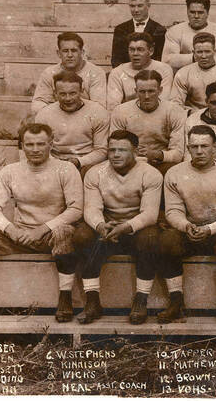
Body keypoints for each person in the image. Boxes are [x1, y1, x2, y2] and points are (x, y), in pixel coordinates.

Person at [0, 124, 83, 323]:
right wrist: (10, 229)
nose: (35, 149)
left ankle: (65, 296)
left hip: (51, 236)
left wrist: (42, 229)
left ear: (51, 144)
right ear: (22, 146)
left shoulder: (65, 169)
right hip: (20, 235)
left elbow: (76, 209)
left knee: (66, 232)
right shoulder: (11, 171)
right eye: (29, 144)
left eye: (41, 144)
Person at [159, 125, 216, 324]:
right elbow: (173, 211)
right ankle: (175, 301)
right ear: (188, 148)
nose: (199, 151)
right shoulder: (175, 173)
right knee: (167, 239)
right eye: (194, 146)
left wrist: (209, 229)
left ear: (214, 146)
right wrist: (185, 226)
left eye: (204, 146)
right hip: (190, 231)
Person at [74, 130, 163, 324]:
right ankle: (92, 301)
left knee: (150, 237)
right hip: (107, 227)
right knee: (81, 235)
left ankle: (141, 299)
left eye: (122, 150)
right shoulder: (95, 173)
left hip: (135, 228)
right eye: (112, 149)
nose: (115, 155)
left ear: (135, 151)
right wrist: (100, 225)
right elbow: (91, 208)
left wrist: (126, 227)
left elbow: (149, 214)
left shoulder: (150, 174)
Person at [109, 70, 186, 175]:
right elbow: (114, 145)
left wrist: (156, 154)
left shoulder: (174, 111)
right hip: (130, 161)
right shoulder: (121, 111)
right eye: (142, 91)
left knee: (174, 171)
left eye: (151, 91)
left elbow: (178, 154)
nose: (146, 96)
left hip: (161, 162)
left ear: (160, 90)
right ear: (136, 91)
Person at [32, 71, 109, 173]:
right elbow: (40, 147)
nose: (68, 98)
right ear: (55, 94)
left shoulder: (98, 111)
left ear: (81, 91)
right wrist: (56, 163)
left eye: (73, 93)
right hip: (54, 163)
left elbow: (101, 150)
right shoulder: (44, 114)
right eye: (62, 94)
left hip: (87, 164)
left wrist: (78, 162)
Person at [32, 32, 107, 113]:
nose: (70, 55)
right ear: (58, 53)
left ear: (82, 52)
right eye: (65, 51)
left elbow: (98, 106)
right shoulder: (49, 73)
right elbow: (38, 103)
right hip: (56, 116)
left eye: (74, 50)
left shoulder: (96, 73)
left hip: (85, 117)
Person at [170, 32, 216, 113]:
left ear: (215, 51)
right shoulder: (183, 73)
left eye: (207, 51)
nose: (203, 56)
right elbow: (175, 104)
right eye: (199, 52)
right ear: (193, 53)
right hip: (194, 116)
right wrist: (192, 113)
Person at [163, 0, 216, 71]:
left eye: (200, 12)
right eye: (192, 12)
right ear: (187, 12)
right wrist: (194, 57)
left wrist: (188, 58)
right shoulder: (175, 31)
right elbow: (167, 60)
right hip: (184, 76)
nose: (196, 16)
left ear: (207, 13)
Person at [106, 32, 173, 109]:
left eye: (140, 50)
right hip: (128, 116)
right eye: (131, 50)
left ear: (151, 51)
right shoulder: (117, 72)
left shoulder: (164, 69)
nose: (135, 54)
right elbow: (113, 105)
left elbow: (163, 102)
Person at [111, 0, 166, 68]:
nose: (136, 10)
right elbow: (116, 60)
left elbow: (159, 59)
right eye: (132, 6)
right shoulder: (120, 29)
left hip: (149, 76)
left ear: (148, 5)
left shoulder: (159, 29)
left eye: (140, 6)